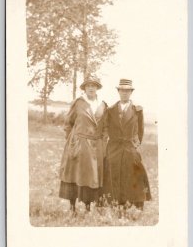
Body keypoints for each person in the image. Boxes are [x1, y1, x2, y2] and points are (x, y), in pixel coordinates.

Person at [59, 74, 108, 213]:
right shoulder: (78, 103)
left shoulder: (103, 105)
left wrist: (103, 144)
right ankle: (72, 207)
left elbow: (105, 128)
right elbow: (68, 123)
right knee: (74, 175)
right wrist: (72, 141)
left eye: (94, 85)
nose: (91, 88)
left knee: (91, 177)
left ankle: (88, 207)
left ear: (97, 88)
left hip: (95, 146)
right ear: (85, 88)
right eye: (88, 85)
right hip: (78, 144)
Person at [105, 79, 151, 212]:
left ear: (131, 92)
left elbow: (140, 131)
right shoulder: (111, 110)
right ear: (118, 91)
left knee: (134, 173)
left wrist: (135, 144)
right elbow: (106, 128)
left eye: (127, 91)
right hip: (114, 147)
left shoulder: (137, 110)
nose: (124, 93)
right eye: (122, 90)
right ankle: (115, 203)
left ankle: (135, 204)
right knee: (113, 173)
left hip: (129, 147)